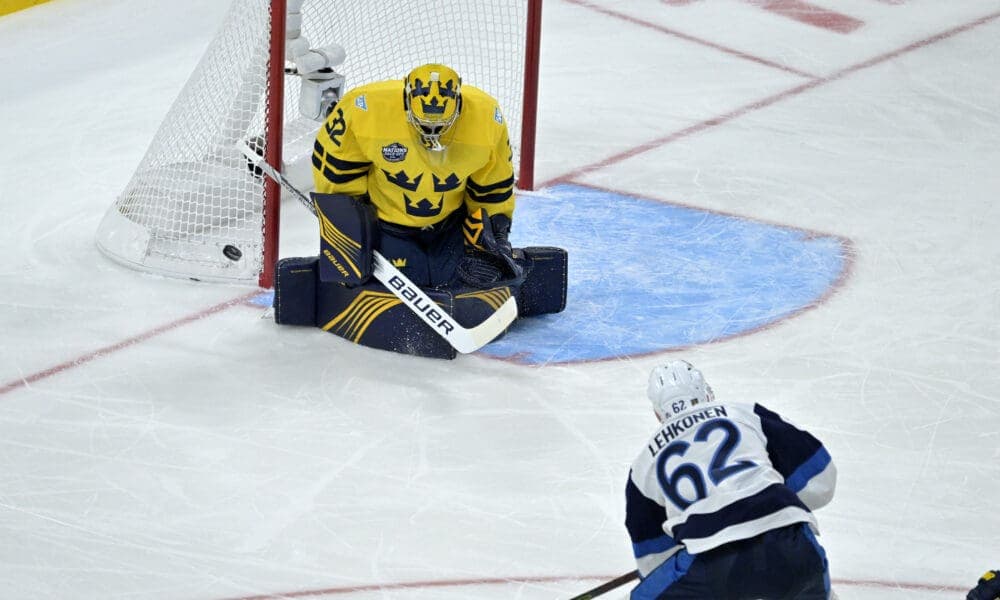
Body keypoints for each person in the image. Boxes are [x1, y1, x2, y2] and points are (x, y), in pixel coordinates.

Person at [624, 360, 838, 599]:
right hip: (794, 548)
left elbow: (652, 561)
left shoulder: (644, 464)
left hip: (712, 568)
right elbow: (822, 479)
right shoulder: (745, 413)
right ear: (707, 393)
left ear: (657, 413)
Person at [311, 62, 517, 288]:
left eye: (441, 125)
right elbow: (335, 171)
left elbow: (493, 186)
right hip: (386, 226)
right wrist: (348, 230)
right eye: (424, 124)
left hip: (450, 226)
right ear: (406, 103)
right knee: (390, 284)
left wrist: (493, 239)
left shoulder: (487, 117)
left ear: (458, 107)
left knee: (464, 283)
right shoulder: (364, 109)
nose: (432, 132)